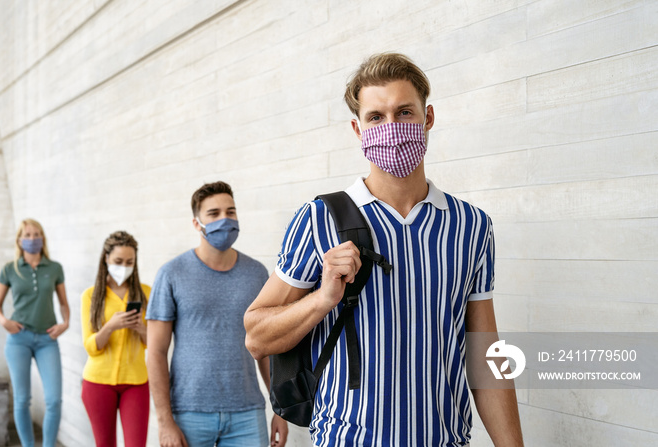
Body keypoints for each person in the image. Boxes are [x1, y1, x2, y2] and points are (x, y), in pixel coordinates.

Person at [244, 53, 525, 446]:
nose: (391, 128)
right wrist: (322, 299)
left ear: (427, 118)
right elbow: (257, 336)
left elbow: (485, 355)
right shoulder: (318, 217)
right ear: (358, 130)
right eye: (376, 117)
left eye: (404, 112)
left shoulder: (472, 226)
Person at [147, 181, 288, 447]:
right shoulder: (171, 274)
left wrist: (280, 409)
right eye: (214, 213)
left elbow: (267, 349)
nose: (225, 219)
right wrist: (164, 421)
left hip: (247, 412)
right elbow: (155, 351)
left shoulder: (257, 273)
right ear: (196, 223)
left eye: (230, 212)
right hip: (188, 413)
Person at [0, 218, 70, 447]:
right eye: (28, 235)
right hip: (19, 340)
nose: (33, 239)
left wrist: (65, 322)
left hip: (48, 339)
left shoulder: (54, 268)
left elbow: (63, 302)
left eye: (37, 234)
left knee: (54, 400)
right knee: (22, 400)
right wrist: (4, 321)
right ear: (19, 240)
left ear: (42, 238)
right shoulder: (10, 269)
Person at [80, 231, 151, 446]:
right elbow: (91, 347)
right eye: (118, 261)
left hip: (136, 382)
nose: (124, 266)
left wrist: (141, 328)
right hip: (97, 383)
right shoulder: (91, 295)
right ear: (106, 258)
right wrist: (110, 327)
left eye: (129, 262)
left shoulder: (147, 293)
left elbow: (154, 344)